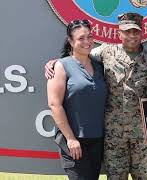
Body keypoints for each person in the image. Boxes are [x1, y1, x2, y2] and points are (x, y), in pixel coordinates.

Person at [45, 12, 147, 180]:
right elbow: (77, 57)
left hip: (142, 136)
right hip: (113, 136)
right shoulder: (105, 52)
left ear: (141, 32)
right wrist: (55, 63)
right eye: (127, 31)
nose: (131, 35)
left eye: (135, 31)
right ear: (119, 33)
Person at [47, 20, 107, 180]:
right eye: (81, 38)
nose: (87, 42)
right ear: (71, 41)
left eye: (90, 36)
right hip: (74, 141)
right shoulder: (61, 66)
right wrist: (71, 139)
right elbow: (54, 104)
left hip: (97, 139)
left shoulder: (100, 66)